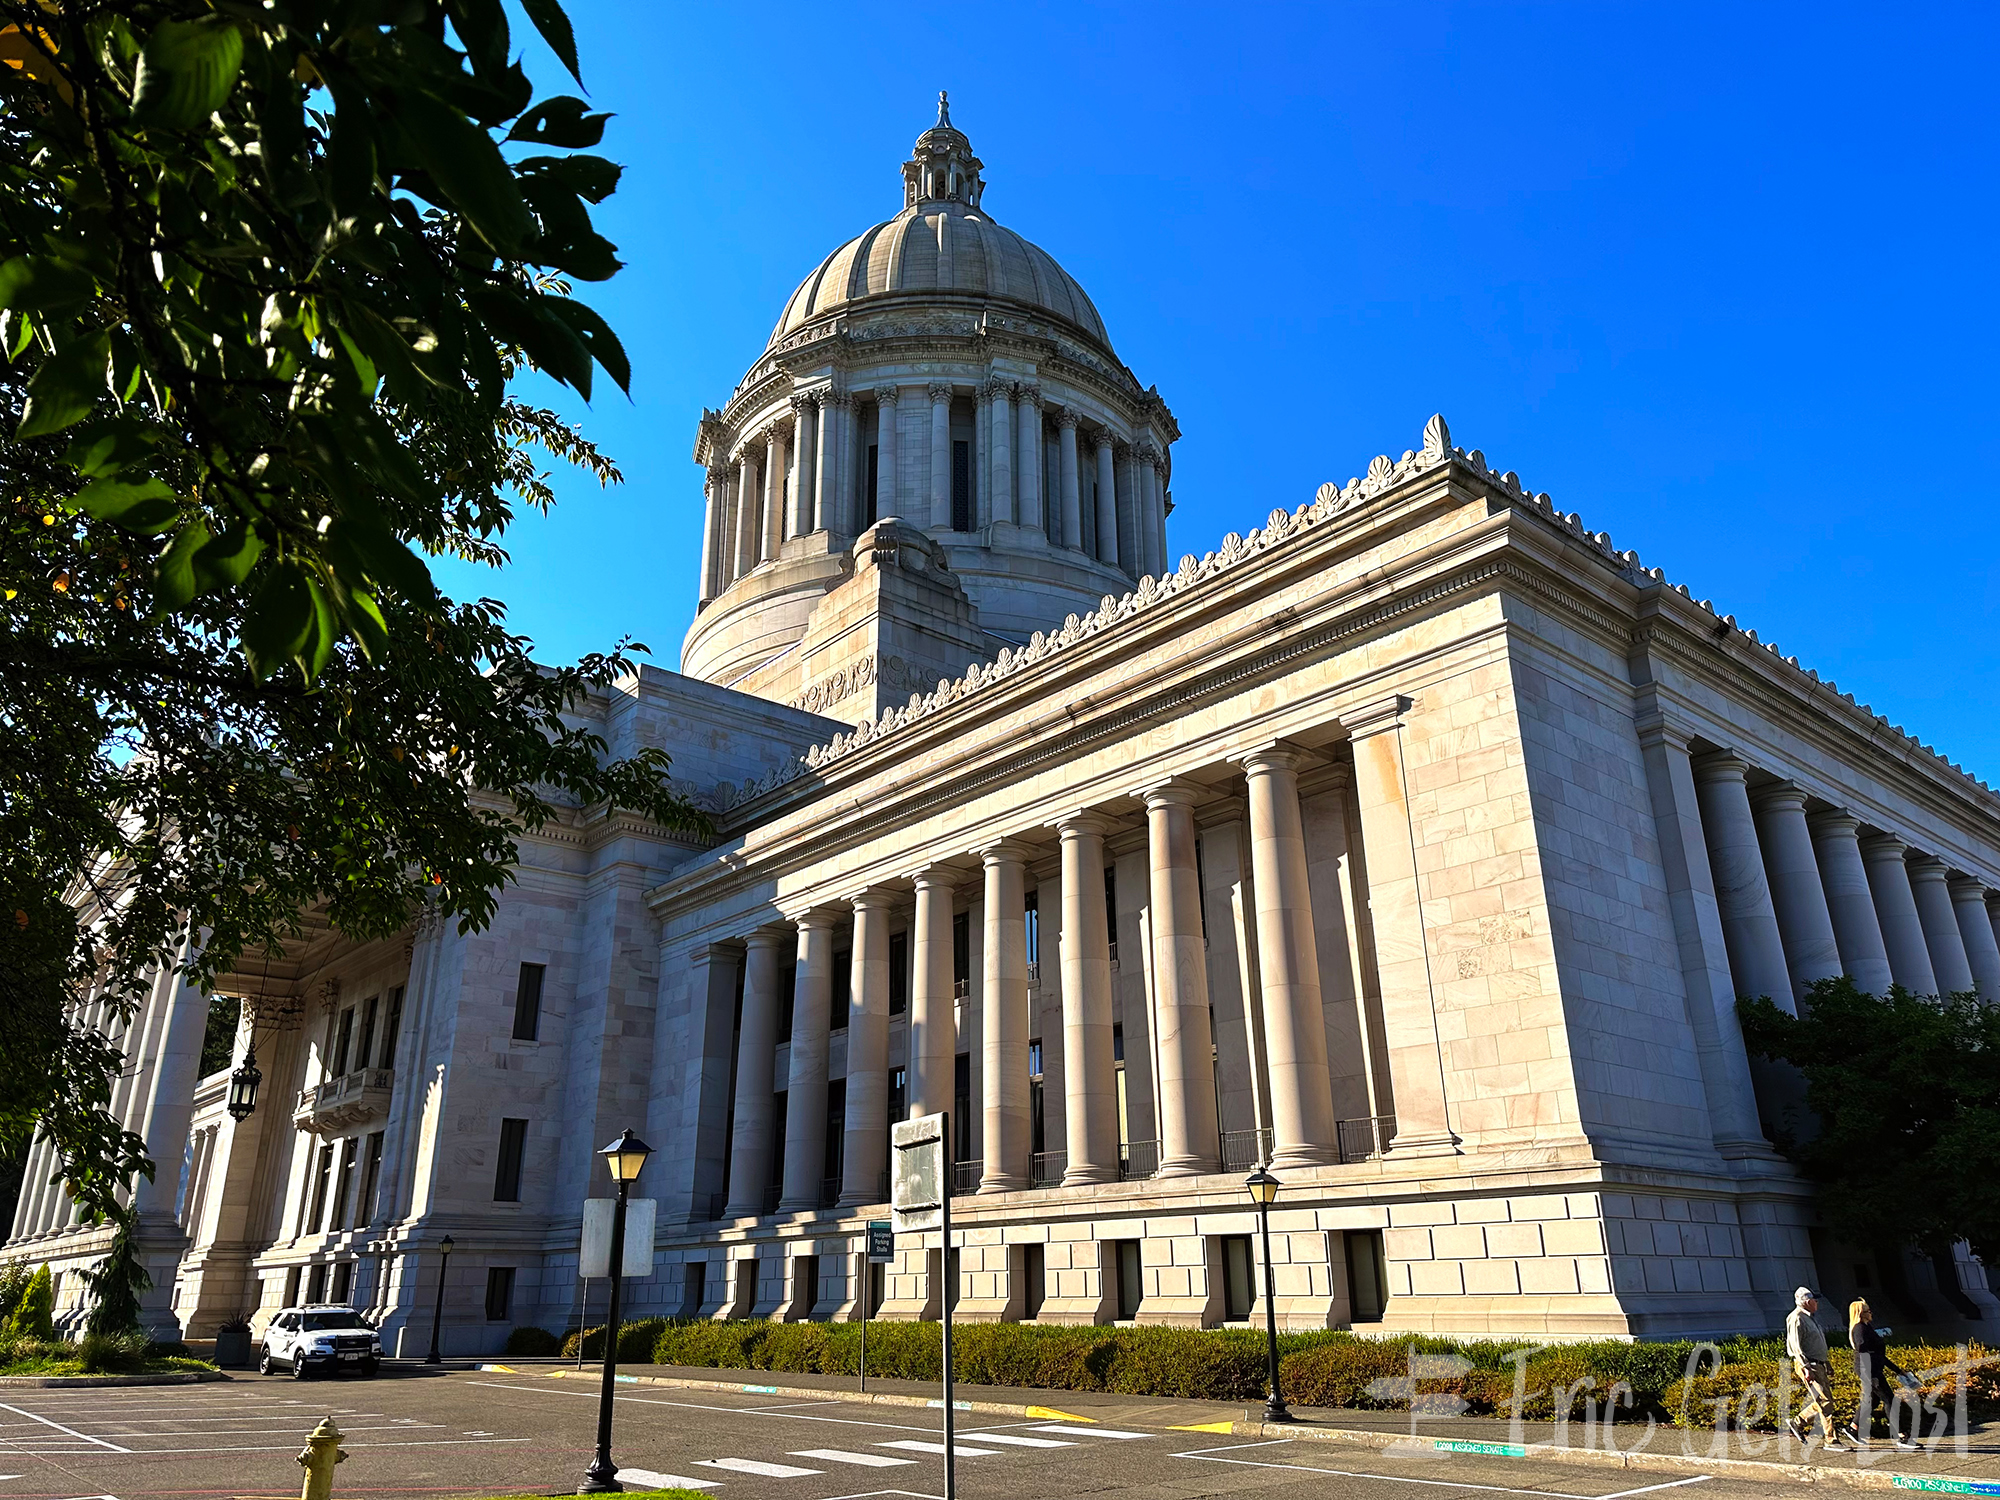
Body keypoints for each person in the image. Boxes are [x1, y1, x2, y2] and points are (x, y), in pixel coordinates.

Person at [1847, 1299, 1920, 1450]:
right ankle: (1902, 1435)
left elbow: (1879, 1354)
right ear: (1861, 1314)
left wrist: (1898, 1370)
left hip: (1873, 1370)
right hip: (1870, 1372)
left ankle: (1853, 1427)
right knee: (1890, 1400)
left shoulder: (1867, 1327)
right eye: (1867, 1311)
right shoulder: (1860, 1329)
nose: (1870, 1313)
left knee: (1872, 1401)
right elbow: (1862, 1351)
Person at [1785, 1287, 1848, 1451]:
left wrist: (1827, 1363)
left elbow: (1818, 1343)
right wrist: (1806, 1368)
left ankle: (1797, 1422)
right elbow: (1795, 1347)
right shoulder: (1796, 1318)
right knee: (1825, 1401)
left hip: (1818, 1364)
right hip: (1809, 1365)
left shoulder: (1810, 1317)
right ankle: (1831, 1440)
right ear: (1807, 1302)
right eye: (1815, 1300)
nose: (1817, 1302)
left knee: (1823, 1400)